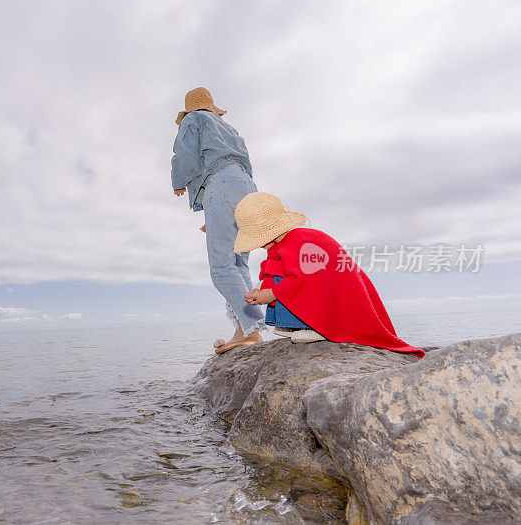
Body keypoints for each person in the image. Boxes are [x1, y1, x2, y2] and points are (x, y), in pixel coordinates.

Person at [233, 192, 425, 358]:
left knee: (292, 283)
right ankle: (292, 323)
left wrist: (270, 294)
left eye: (256, 237)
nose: (257, 243)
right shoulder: (279, 245)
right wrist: (260, 291)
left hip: (331, 295)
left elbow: (307, 280)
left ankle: (313, 326)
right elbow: (274, 271)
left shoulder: (301, 241)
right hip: (316, 286)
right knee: (280, 279)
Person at [171, 87, 265, 354]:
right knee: (239, 263)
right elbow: (243, 166)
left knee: (222, 268)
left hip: (221, 184)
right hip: (247, 185)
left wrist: (178, 182)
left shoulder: (193, 120)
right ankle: (246, 329)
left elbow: (185, 154)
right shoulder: (229, 128)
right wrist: (215, 213)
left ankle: (251, 329)